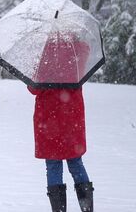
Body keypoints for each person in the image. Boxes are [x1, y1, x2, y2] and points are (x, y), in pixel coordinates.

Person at [29, 33, 95, 212]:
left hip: (49, 118)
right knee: (75, 162)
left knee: (53, 164)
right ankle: (87, 209)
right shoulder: (79, 51)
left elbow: (33, 87)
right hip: (71, 116)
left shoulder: (47, 52)